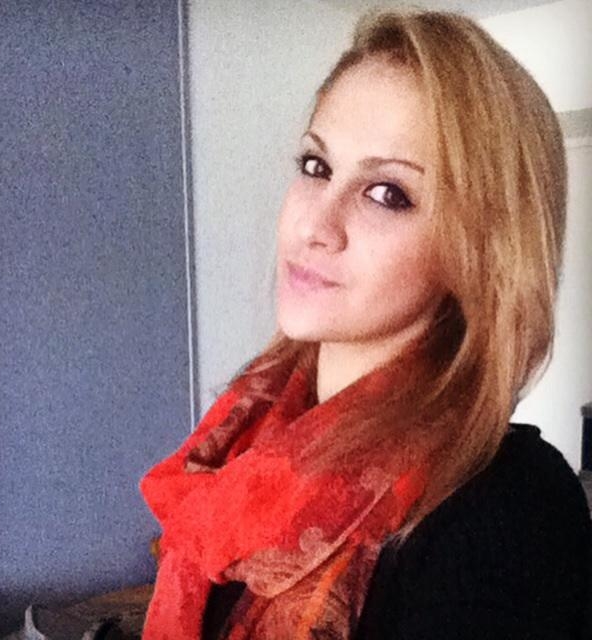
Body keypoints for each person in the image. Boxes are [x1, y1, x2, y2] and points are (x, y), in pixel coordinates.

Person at [139, 8, 592, 640]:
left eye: (387, 193)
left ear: (478, 253)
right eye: (317, 167)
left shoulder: (507, 511)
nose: (315, 225)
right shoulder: (243, 442)